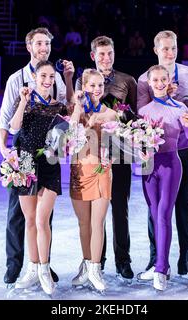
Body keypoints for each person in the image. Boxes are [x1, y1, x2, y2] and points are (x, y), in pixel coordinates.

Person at [0, 27, 74, 286]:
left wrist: (69, 78)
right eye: (39, 43)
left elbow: (65, 109)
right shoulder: (16, 79)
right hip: (24, 152)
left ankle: (43, 265)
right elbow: (5, 120)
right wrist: (3, 147)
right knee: (18, 214)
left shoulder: (56, 77)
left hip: (49, 152)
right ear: (29, 46)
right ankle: (15, 264)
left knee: (45, 217)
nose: (44, 48)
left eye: (47, 44)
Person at [137, 30, 188, 282]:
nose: (170, 52)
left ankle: (187, 258)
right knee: (155, 209)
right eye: (165, 48)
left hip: (184, 150)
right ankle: (156, 258)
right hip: (156, 152)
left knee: (185, 206)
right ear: (155, 50)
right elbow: (141, 116)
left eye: (174, 47)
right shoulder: (145, 79)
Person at [75, 36, 137, 281]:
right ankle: (95, 262)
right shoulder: (86, 82)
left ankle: (123, 260)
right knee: (92, 215)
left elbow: (134, 116)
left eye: (109, 53)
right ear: (93, 56)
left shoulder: (127, 81)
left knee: (120, 209)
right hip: (90, 157)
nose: (106, 58)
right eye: (101, 54)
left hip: (119, 155)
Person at [9, 61, 68, 295]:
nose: (47, 80)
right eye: (43, 75)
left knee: (43, 220)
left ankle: (44, 269)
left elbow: (67, 135)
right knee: (30, 220)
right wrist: (23, 100)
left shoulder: (59, 107)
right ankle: (32, 268)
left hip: (50, 164)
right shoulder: (25, 101)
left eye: (51, 77)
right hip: (25, 162)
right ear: (34, 77)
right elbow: (14, 128)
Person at [138, 65, 188, 290]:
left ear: (169, 80)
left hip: (171, 165)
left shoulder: (180, 107)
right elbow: (136, 143)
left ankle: (161, 269)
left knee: (163, 214)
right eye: (156, 80)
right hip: (148, 166)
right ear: (150, 83)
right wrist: (139, 150)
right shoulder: (143, 111)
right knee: (154, 215)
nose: (160, 83)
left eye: (164, 79)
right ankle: (162, 264)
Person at [70, 69, 117, 292]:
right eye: (92, 86)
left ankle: (96, 269)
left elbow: (119, 148)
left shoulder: (111, 114)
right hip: (79, 171)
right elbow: (68, 136)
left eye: (100, 85)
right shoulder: (76, 110)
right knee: (83, 223)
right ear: (84, 87)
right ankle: (86, 264)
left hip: (101, 171)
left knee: (97, 222)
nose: (97, 90)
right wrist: (79, 107)